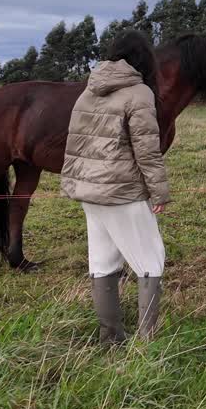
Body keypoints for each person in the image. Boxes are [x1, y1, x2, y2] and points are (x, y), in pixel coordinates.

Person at [61, 30, 170, 344]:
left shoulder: (89, 91)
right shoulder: (140, 94)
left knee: (103, 261)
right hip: (122, 192)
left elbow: (76, 142)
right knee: (150, 259)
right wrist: (159, 191)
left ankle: (111, 339)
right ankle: (149, 341)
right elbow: (147, 150)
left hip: (90, 192)